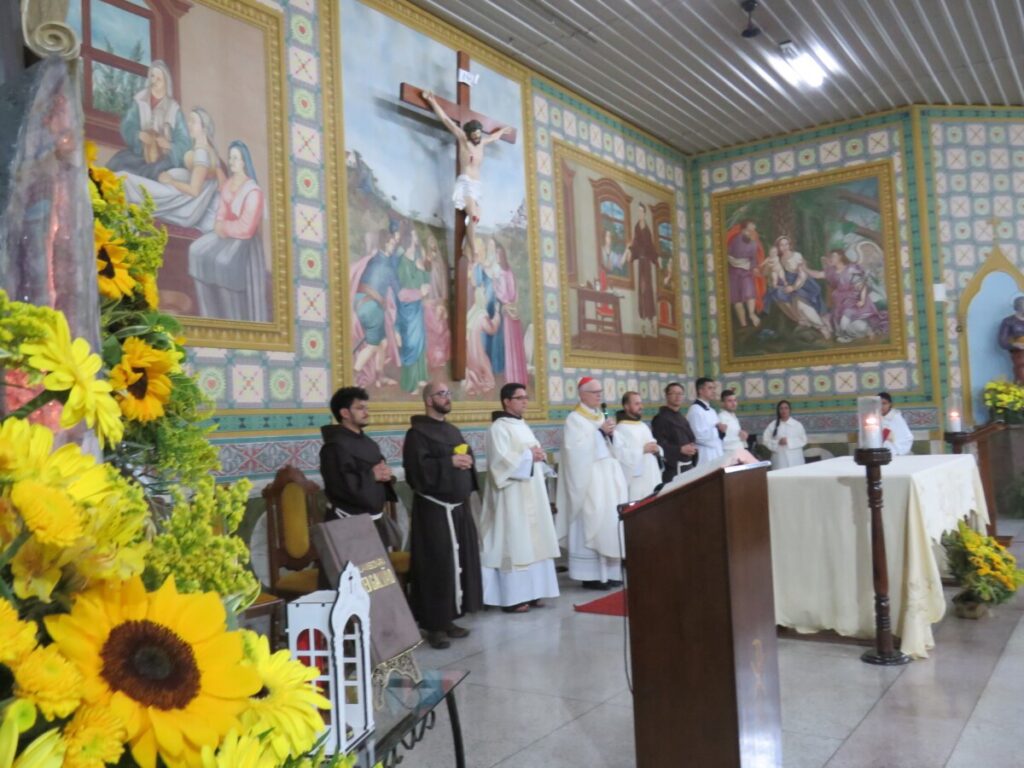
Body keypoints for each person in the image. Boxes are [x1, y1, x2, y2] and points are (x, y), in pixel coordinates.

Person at [402, 381, 483, 648]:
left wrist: (467, 461)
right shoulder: (416, 434)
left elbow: (462, 458)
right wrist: (449, 462)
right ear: (428, 400)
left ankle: (449, 618)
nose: (447, 398)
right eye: (441, 394)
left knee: (455, 564)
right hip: (434, 510)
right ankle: (432, 624)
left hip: (457, 508)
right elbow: (417, 471)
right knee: (435, 566)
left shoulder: (452, 430)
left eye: (449, 393)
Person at [479, 383, 560, 613]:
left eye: (526, 397)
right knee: (515, 542)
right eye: (520, 397)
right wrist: (528, 456)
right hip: (511, 496)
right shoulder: (498, 429)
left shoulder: (522, 425)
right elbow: (500, 463)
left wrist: (538, 457)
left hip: (532, 492)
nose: (525, 401)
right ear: (506, 401)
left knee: (534, 542)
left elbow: (530, 457)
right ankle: (513, 598)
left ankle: (533, 592)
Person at [555, 376, 627, 590]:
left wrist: (611, 435)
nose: (599, 396)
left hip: (608, 476)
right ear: (582, 394)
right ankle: (591, 575)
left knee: (610, 522)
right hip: (589, 478)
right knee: (592, 519)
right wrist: (599, 432)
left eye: (600, 392)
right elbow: (574, 450)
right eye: (594, 392)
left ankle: (611, 572)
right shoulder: (575, 419)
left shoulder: (600, 416)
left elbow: (615, 445)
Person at [422, 90, 512, 261]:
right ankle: (474, 250)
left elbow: (494, 137)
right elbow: (446, 120)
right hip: (466, 183)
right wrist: (432, 101)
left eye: (479, 134)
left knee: (475, 218)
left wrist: (502, 131)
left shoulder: (482, 142)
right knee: (473, 215)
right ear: (469, 134)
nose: (477, 137)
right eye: (475, 135)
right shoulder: (463, 139)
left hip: (477, 186)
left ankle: (466, 247)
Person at [186, 139, 268, 322]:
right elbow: (222, 211)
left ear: (244, 161)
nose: (232, 162)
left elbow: (246, 227)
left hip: (244, 240)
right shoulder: (229, 184)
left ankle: (232, 316)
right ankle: (210, 315)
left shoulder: (253, 191)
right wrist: (219, 223)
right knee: (195, 250)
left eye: (236, 158)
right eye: (230, 158)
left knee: (223, 262)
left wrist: (224, 227)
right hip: (225, 234)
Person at [319, 386, 399, 549]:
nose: (366, 412)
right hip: (348, 525)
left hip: (374, 523)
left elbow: (377, 475)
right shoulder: (334, 447)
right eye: (360, 408)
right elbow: (339, 487)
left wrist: (386, 476)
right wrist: (372, 476)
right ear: (345, 413)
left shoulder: (369, 443)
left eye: (366, 408)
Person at [120, 106, 220, 232]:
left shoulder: (201, 152)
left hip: (183, 204)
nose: (189, 125)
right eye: (189, 121)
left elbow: (195, 191)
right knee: (127, 181)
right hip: (180, 197)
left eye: (193, 121)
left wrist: (171, 181)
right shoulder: (204, 150)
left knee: (124, 179)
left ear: (204, 128)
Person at [107, 60, 190, 180]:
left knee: (153, 171)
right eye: (152, 76)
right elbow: (127, 125)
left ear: (166, 83)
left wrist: (169, 145)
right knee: (118, 161)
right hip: (140, 153)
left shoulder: (174, 109)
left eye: (159, 79)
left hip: (164, 157)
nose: (154, 81)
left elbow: (185, 142)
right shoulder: (140, 101)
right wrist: (138, 135)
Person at [352, 227, 401, 387]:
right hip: (372, 307)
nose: (393, 246)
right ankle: (353, 375)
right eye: (392, 243)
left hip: (361, 303)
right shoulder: (386, 266)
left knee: (383, 343)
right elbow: (399, 291)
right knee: (373, 345)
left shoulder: (372, 259)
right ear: (385, 243)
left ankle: (380, 377)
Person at [396, 226, 430, 394]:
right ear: (409, 238)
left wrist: (422, 270)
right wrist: (419, 291)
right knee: (411, 342)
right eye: (415, 235)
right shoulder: (402, 262)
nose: (417, 239)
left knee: (420, 340)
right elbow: (404, 289)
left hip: (417, 307)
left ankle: (420, 376)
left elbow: (426, 280)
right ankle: (409, 383)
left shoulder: (417, 257)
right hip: (407, 309)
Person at [615, 391, 663, 501]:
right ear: (626, 406)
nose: (641, 407)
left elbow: (653, 444)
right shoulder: (620, 429)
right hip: (637, 480)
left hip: (652, 475)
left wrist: (657, 450)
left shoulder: (643, 425)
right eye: (636, 404)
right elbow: (620, 456)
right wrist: (642, 450)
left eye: (641, 403)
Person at [493, 243, 528, 384]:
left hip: (510, 311)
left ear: (503, 256)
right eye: (496, 254)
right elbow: (504, 293)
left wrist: (510, 304)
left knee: (513, 343)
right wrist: (509, 305)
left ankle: (516, 377)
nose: (498, 257)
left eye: (499, 254)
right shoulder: (502, 272)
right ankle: (513, 376)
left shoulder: (505, 272)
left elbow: (509, 292)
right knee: (510, 344)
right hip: (509, 310)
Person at [651, 381, 698, 482]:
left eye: (680, 393)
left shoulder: (682, 417)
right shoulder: (660, 418)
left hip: (687, 465)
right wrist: (679, 449)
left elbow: (690, 438)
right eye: (674, 393)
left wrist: (692, 446)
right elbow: (659, 444)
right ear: (667, 396)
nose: (678, 396)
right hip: (673, 469)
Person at [624, 202, 659, 337]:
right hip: (641, 264)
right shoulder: (636, 227)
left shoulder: (647, 230)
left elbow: (651, 247)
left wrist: (656, 259)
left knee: (648, 291)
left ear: (644, 213)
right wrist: (630, 251)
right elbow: (635, 244)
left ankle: (652, 323)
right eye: (638, 211)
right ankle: (643, 323)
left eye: (641, 211)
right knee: (642, 290)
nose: (639, 214)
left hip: (647, 264)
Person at [726, 219, 764, 328]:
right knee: (736, 299)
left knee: (750, 294)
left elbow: (753, 259)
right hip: (733, 273)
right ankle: (743, 324)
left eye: (753, 230)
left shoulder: (753, 243)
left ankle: (752, 315)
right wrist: (735, 262)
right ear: (742, 230)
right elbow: (728, 255)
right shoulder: (735, 240)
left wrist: (754, 268)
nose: (751, 233)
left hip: (746, 272)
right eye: (749, 230)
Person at [687, 377, 726, 466]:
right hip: (704, 455)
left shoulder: (712, 410)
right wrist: (717, 429)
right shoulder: (695, 410)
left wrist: (721, 430)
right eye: (710, 388)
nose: (713, 391)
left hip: (716, 452)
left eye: (714, 388)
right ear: (700, 390)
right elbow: (698, 436)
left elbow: (717, 435)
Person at [762, 400, 807, 469]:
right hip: (779, 460)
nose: (784, 411)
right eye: (781, 408)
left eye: (786, 408)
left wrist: (788, 441)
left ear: (789, 410)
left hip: (795, 460)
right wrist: (777, 442)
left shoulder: (797, 425)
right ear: (778, 411)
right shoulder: (773, 425)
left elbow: (803, 440)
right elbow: (765, 440)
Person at [997, 296, 1024, 383]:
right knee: (1021, 372)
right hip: (1019, 354)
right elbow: (1002, 341)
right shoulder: (1008, 321)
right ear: (1018, 307)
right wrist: (1015, 344)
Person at [879, 391, 913, 456]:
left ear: (890, 404)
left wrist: (897, 449)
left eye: (884, 403)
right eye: (879, 404)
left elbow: (907, 437)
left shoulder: (896, 418)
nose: (881, 406)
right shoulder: (874, 418)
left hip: (896, 453)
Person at [718, 389, 748, 454]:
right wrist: (739, 437)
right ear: (722, 403)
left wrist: (742, 435)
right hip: (729, 453)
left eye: (735, 400)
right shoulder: (721, 417)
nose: (733, 403)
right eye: (729, 401)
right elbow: (721, 440)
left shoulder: (733, 416)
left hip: (738, 451)